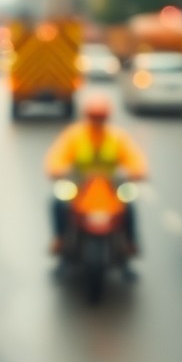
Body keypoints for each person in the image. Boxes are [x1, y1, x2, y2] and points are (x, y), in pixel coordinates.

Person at [44, 94, 148, 257]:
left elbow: (135, 159)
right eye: (94, 117)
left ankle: (129, 242)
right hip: (79, 184)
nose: (97, 121)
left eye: (100, 117)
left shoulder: (117, 137)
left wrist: (138, 172)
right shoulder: (75, 135)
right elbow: (56, 156)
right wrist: (57, 170)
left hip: (111, 185)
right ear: (87, 116)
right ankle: (61, 239)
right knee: (58, 203)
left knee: (128, 206)